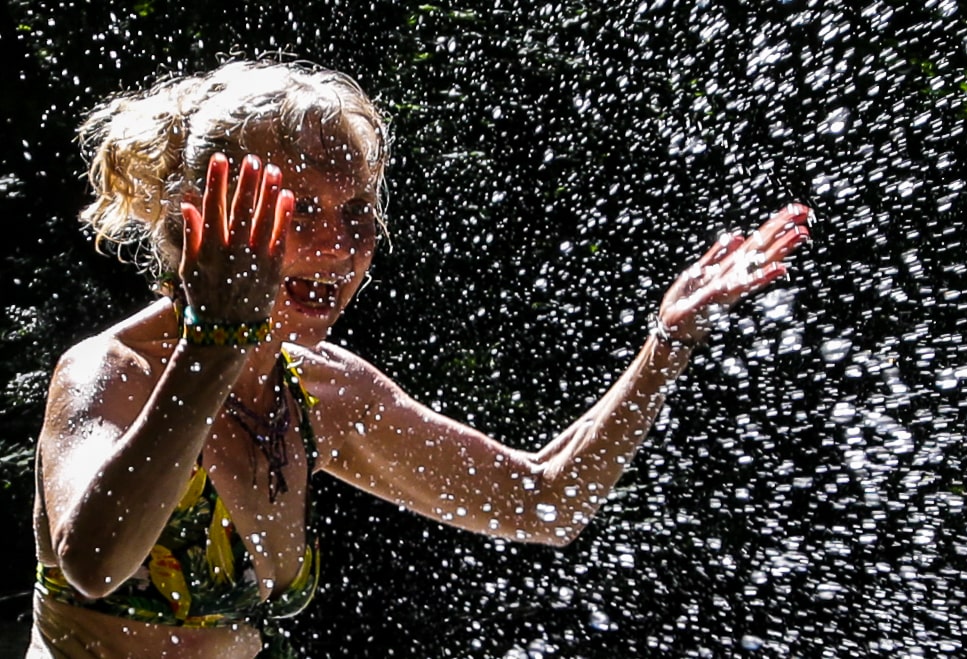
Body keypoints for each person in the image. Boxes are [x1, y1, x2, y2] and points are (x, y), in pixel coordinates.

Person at [29, 59, 811, 658]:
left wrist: (666, 341)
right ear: (201, 218)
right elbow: (95, 559)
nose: (338, 248)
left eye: (357, 213)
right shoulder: (113, 370)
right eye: (299, 210)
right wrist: (215, 342)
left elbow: (544, 502)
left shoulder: (324, 390)